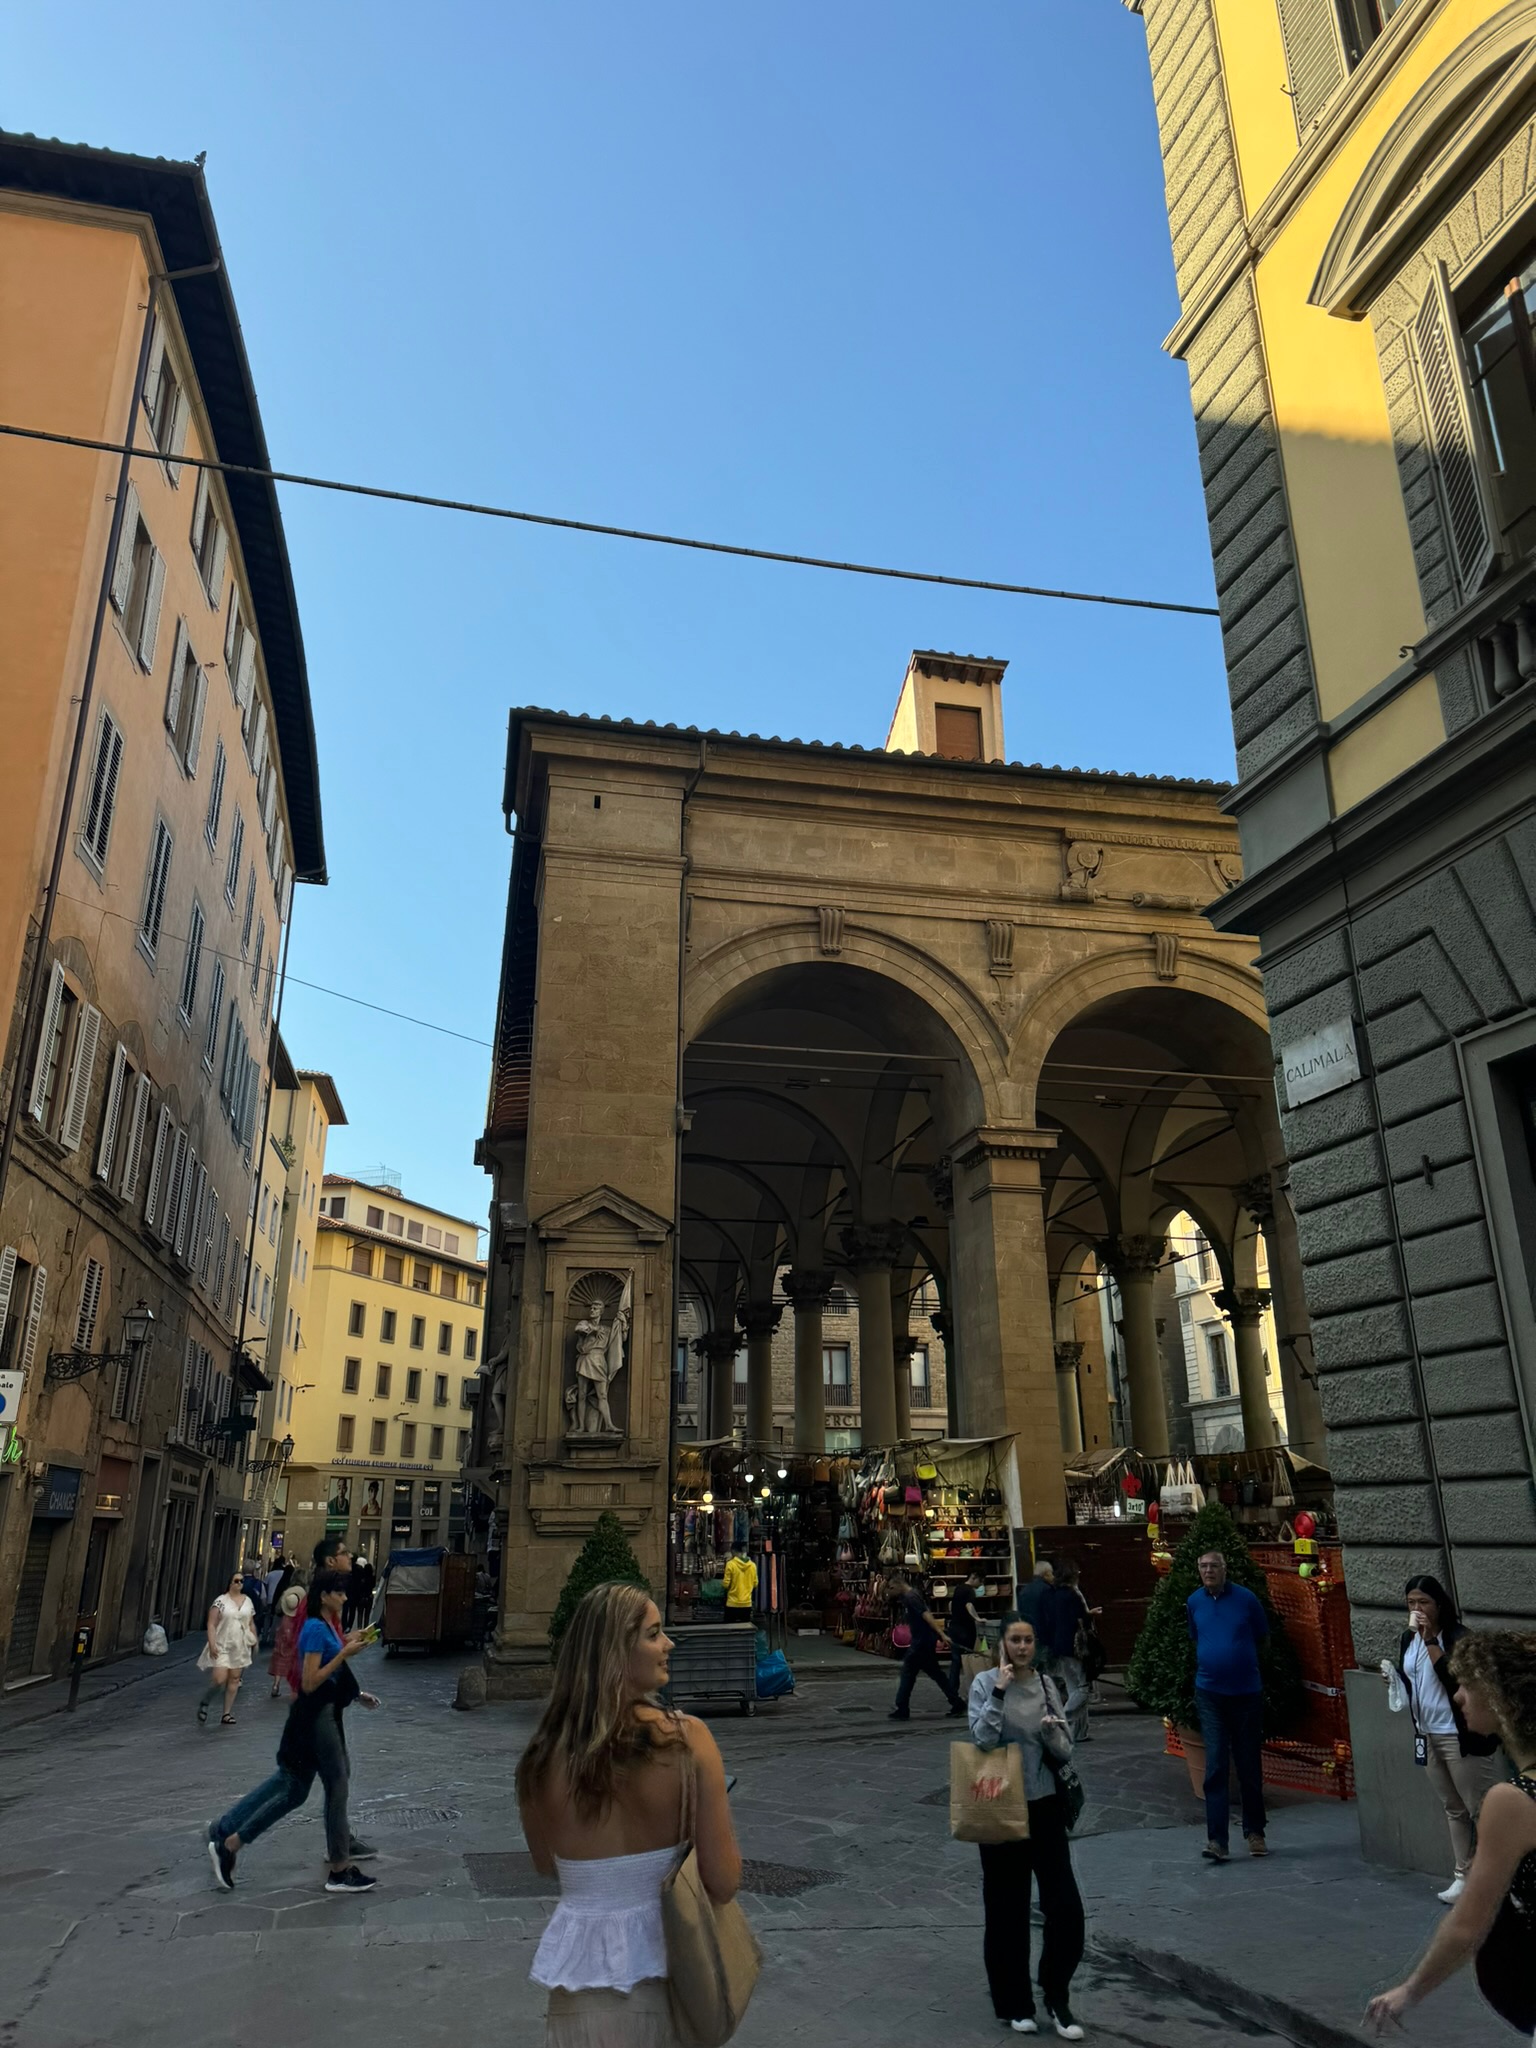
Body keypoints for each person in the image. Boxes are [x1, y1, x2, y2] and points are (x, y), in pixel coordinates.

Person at [517, 1581, 742, 2047]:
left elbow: (546, 1864)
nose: (669, 1644)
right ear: (616, 1652)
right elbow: (722, 1882)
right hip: (670, 1990)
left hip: (576, 2000)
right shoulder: (689, 1740)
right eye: (654, 1633)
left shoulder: (540, 1759)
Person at [1366, 1631, 1536, 2038]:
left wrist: (1410, 1990)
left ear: (1499, 1697)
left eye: (1466, 1684)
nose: (1458, 1696)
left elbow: (1468, 1922)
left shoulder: (1513, 1802)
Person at [207, 1568, 380, 1895]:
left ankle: (229, 1841)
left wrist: (350, 1652)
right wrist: (344, 1652)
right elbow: (312, 1681)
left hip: (321, 1717)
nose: (345, 1598)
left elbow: (332, 1661)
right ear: (325, 1595)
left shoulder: (328, 1625)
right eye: (340, 1592)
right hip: (315, 1719)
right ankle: (340, 1869)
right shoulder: (315, 1627)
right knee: (336, 1782)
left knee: (294, 1789)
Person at [968, 1614, 1086, 2039]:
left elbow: (1066, 1748)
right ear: (1002, 1644)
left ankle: (1057, 1995)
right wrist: (999, 1691)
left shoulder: (1047, 1685)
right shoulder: (983, 1684)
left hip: (1045, 1805)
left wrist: (1054, 1735)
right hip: (1000, 1806)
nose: (1022, 1647)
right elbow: (981, 1739)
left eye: (1028, 1640)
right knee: (1006, 1909)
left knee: (1066, 1907)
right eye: (1015, 1640)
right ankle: (1016, 2003)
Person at [1391, 1573, 1500, 1904]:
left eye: (1423, 1602)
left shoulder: (1457, 1638)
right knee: (1453, 1808)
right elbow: (1413, 1678)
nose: (1417, 1609)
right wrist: (1395, 1681)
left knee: (1481, 1809)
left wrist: (1430, 1641)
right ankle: (1462, 1876)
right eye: (1411, 1603)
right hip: (1426, 1732)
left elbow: (1454, 1680)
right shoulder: (1407, 1641)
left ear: (1439, 1604)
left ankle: (1505, 1880)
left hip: (1458, 1735)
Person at [1186, 1547, 1268, 1862]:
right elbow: (1196, 1636)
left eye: (1214, 1566)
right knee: (1216, 1764)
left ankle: (1255, 1831)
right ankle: (1217, 1840)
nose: (1208, 1571)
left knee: (1248, 1763)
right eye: (1203, 1566)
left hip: (1246, 1693)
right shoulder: (1194, 1602)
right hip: (1210, 1694)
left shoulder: (1246, 1599)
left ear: (1224, 1568)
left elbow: (1262, 1635)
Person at [888, 1574, 966, 1721]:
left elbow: (926, 1615)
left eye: (892, 1588)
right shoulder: (910, 1595)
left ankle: (902, 1707)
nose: (891, 1591)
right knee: (935, 1674)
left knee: (908, 1673)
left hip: (921, 1643)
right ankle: (956, 1702)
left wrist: (942, 1634)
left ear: (899, 1584)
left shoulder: (911, 1597)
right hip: (923, 1641)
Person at [284, 1534, 353, 1696]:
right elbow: (304, 1651)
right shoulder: (314, 1607)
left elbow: (326, 1644)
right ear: (330, 1561)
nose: (350, 1556)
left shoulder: (328, 1601)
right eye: (344, 1553)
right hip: (314, 1697)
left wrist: (348, 1639)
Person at [1039, 1561, 1097, 1744]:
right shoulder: (1072, 1595)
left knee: (1073, 1687)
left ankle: (1079, 1732)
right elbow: (1081, 1619)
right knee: (1083, 1688)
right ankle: (1061, 1722)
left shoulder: (1051, 1595)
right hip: (1075, 1646)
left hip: (1059, 1646)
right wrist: (1092, 1614)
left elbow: (1049, 1621)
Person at [196, 1572, 258, 1727]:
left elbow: (250, 1623)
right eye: (236, 1581)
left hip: (240, 1645)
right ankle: (206, 1701)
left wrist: (255, 1640)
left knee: (235, 1679)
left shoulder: (248, 1602)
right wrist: (212, 1643)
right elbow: (211, 1623)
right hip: (222, 1644)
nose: (239, 1583)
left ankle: (226, 1713)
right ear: (230, 1583)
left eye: (241, 1581)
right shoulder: (221, 1601)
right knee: (219, 1678)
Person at [947, 1569, 985, 1695]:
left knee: (955, 1662)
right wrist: (977, 1618)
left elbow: (951, 1604)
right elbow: (969, 1606)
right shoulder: (970, 1591)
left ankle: (952, 1691)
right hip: (965, 1630)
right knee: (968, 1661)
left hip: (954, 1628)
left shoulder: (958, 1588)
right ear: (974, 1577)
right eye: (981, 1581)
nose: (981, 1585)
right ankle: (971, 1690)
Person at [268, 1586, 302, 1698]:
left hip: (281, 1642)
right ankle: (295, 1688)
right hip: (293, 1642)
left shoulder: (284, 1619)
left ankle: (275, 1685)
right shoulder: (297, 1620)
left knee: (279, 1662)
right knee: (294, 1663)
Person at [1016, 1559, 1055, 1639]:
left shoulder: (1024, 1590)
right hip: (1043, 1636)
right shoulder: (1047, 1590)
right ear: (1046, 1574)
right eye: (1052, 1573)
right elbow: (1049, 1616)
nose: (1053, 1577)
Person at [722, 1543, 757, 1620]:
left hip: (732, 1604)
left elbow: (726, 1584)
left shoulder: (730, 1564)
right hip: (747, 1604)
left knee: (730, 1629)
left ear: (734, 1551)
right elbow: (755, 1583)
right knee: (745, 1629)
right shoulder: (753, 1566)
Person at [346, 1554, 376, 1633]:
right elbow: (373, 1586)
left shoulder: (362, 1579)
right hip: (369, 1597)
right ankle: (365, 1629)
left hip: (361, 1597)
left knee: (359, 1613)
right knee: (367, 1615)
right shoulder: (372, 1578)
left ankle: (358, 1629)